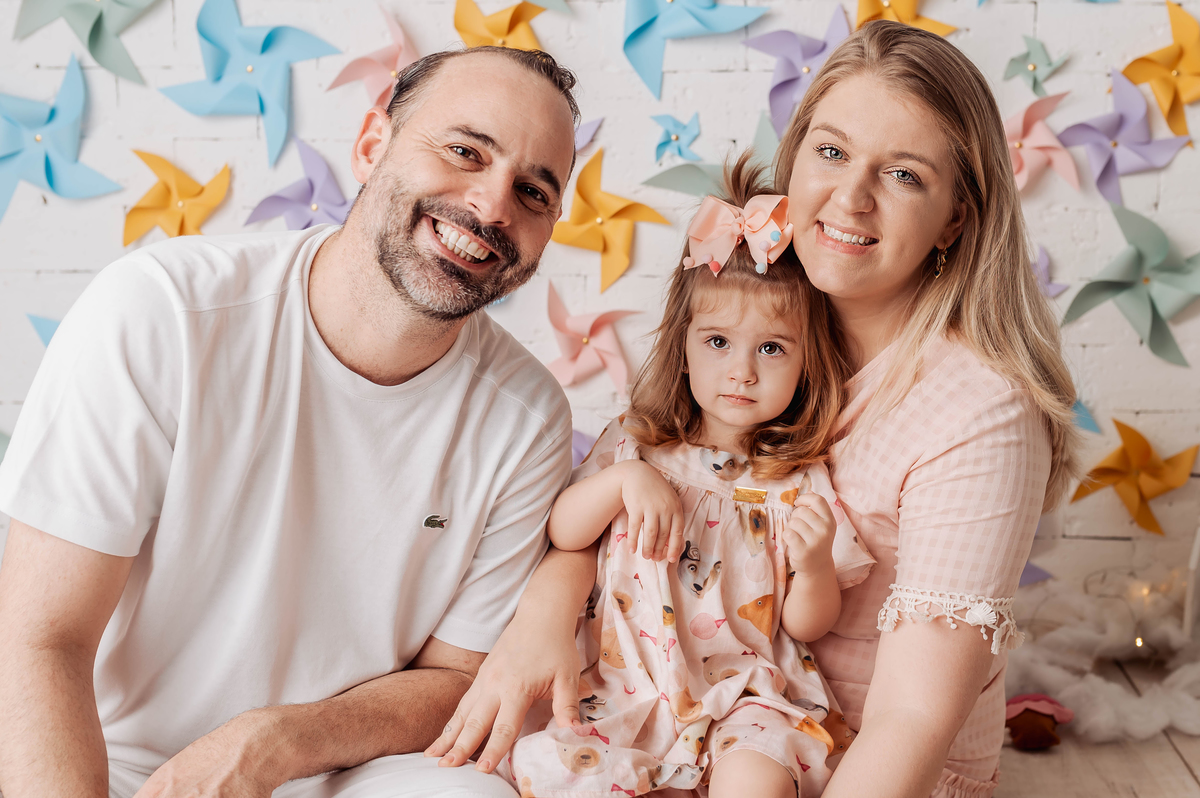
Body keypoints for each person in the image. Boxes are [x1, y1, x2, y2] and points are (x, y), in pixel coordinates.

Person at [0, 47, 596, 798]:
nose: (493, 205)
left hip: (340, 768)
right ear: (372, 144)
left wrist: (274, 743)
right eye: (464, 151)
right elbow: (39, 640)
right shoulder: (162, 312)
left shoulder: (528, 416)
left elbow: (455, 675)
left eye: (534, 192)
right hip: (109, 762)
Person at [495, 157, 876, 798]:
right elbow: (564, 531)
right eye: (719, 342)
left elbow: (808, 626)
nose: (742, 372)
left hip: (745, 692)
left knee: (758, 780)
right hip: (623, 686)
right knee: (565, 772)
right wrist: (624, 482)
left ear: (808, 362)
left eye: (772, 348)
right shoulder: (637, 445)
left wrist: (812, 566)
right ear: (685, 346)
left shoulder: (796, 481)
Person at [771, 21, 1078, 798]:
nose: (850, 198)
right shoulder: (753, 331)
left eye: (903, 175)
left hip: (862, 769)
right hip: (738, 730)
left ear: (956, 219)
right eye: (831, 152)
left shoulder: (982, 411)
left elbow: (909, 718)